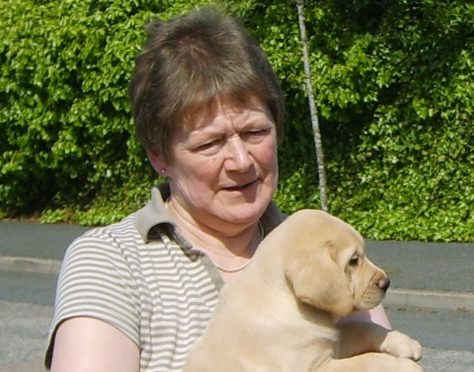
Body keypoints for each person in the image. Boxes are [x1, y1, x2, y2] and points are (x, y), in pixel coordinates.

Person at [45, 7, 391, 372]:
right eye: (210, 143)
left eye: (255, 132)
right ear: (159, 157)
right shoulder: (112, 263)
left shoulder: (321, 250)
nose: (241, 160)